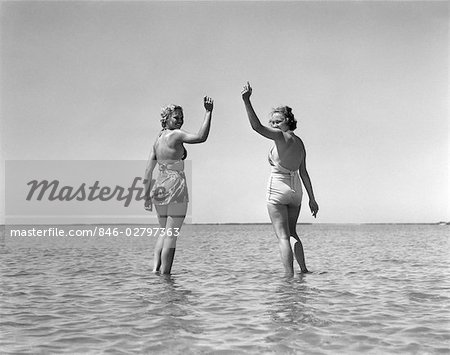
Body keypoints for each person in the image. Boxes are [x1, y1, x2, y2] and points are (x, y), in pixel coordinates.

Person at [241, 82, 319, 276]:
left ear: (287, 121)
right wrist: (312, 199)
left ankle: (288, 277)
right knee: (293, 233)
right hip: (296, 192)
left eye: (278, 121)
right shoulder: (300, 142)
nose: (274, 125)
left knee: (283, 237)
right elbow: (304, 173)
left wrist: (246, 101)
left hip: (278, 187)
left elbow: (256, 126)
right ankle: (304, 271)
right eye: (273, 122)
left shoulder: (279, 137)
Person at [144, 96, 214, 274]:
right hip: (175, 185)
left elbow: (148, 170)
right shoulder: (176, 135)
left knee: (164, 231)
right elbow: (201, 137)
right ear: (166, 118)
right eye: (176, 117)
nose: (180, 120)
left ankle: (155, 270)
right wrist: (208, 112)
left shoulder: (158, 139)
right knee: (171, 234)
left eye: (182, 117)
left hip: (159, 186)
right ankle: (166, 275)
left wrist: (145, 196)